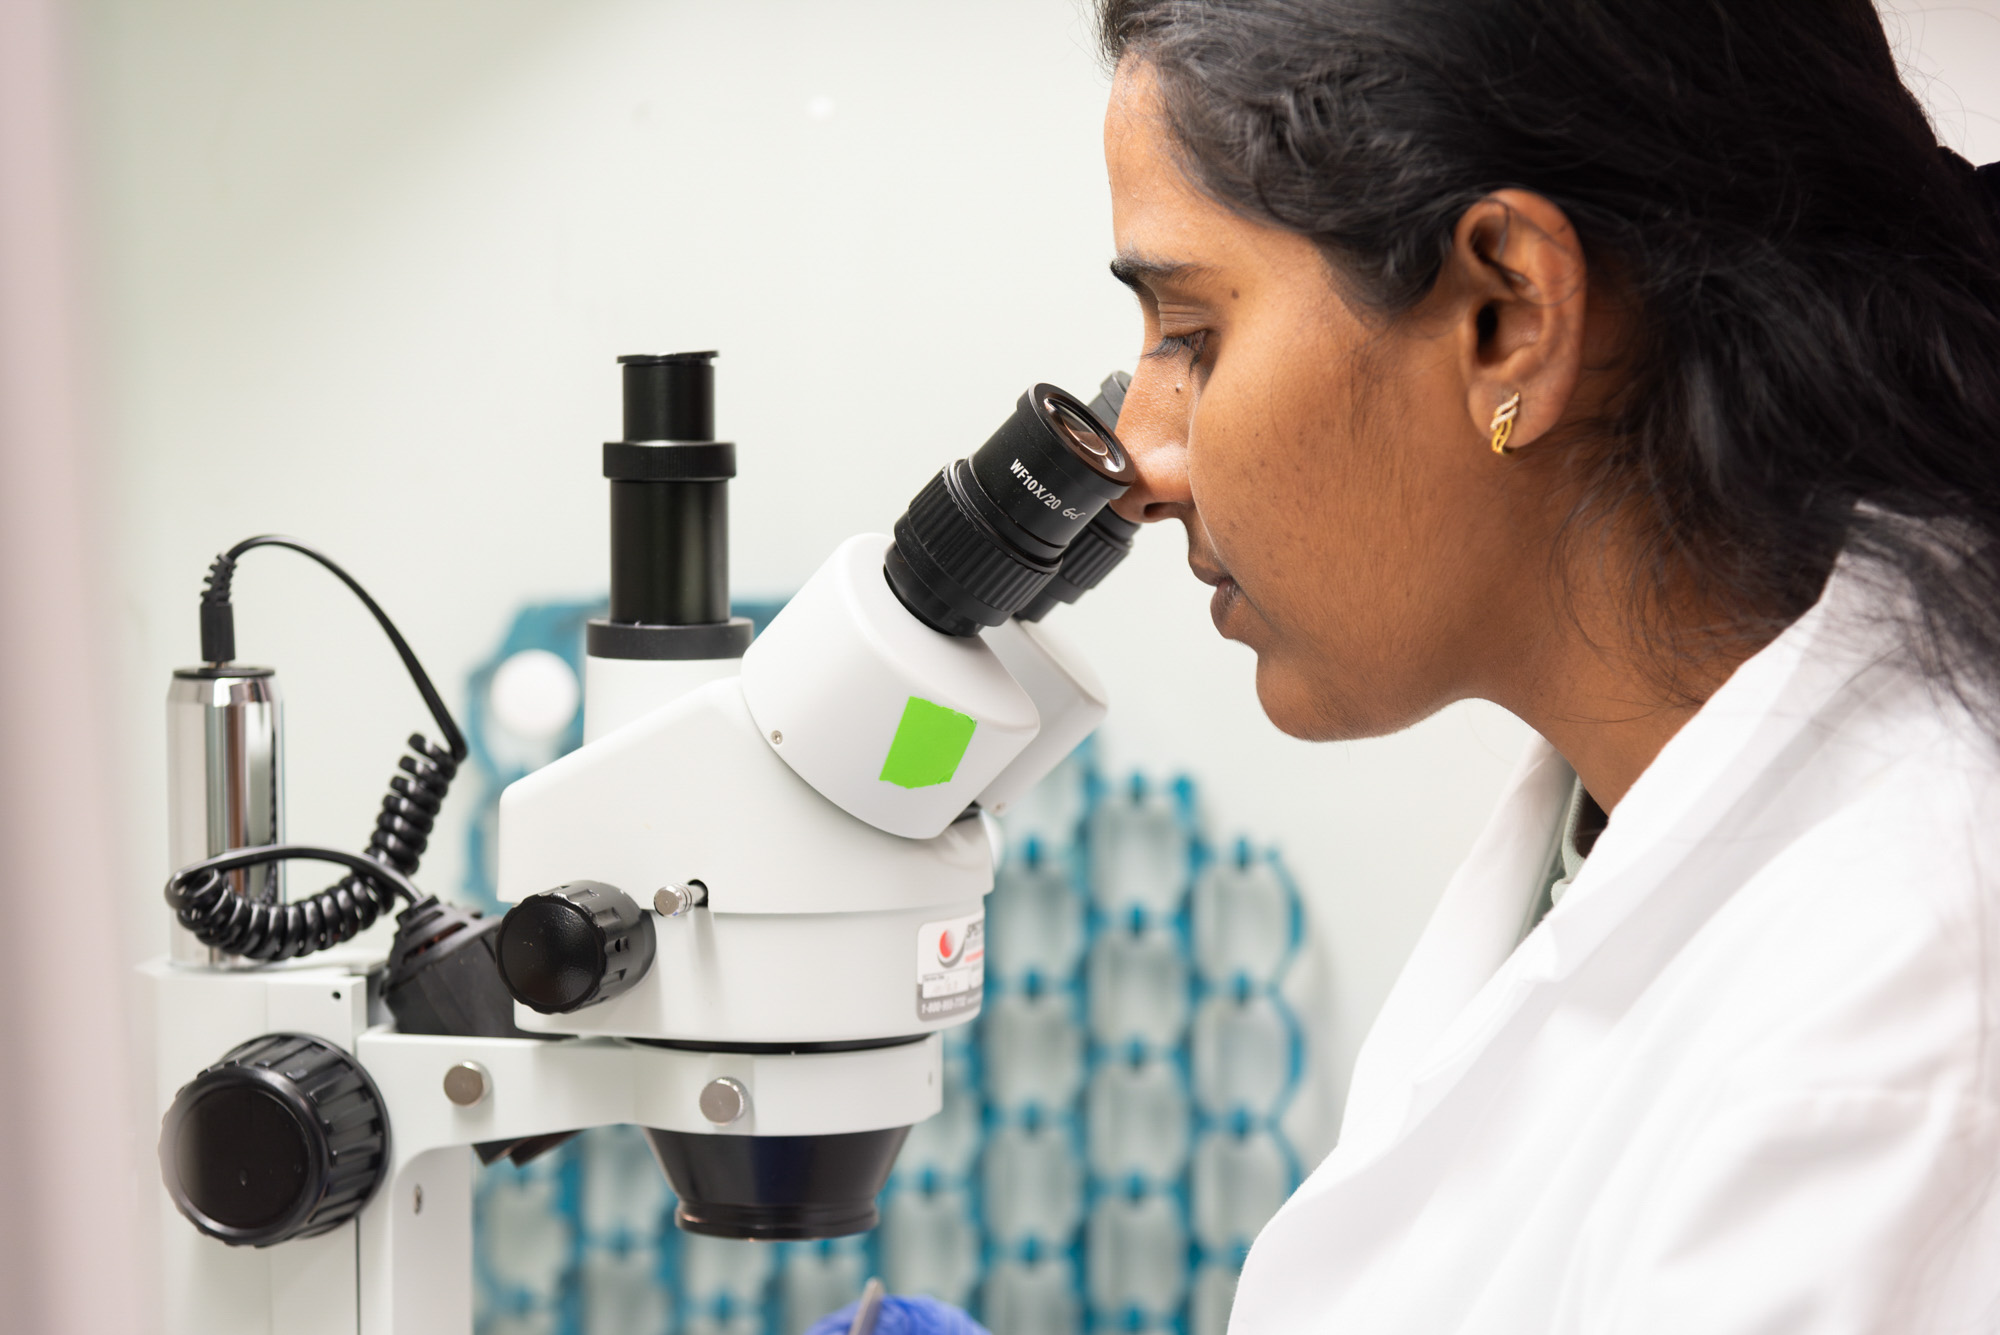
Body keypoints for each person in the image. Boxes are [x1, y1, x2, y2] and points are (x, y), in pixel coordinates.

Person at [843, 0, 2000, 1329]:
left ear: (1509, 318)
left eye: (1195, 335)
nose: (1145, 463)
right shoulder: (1618, 818)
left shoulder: (1888, 1035)